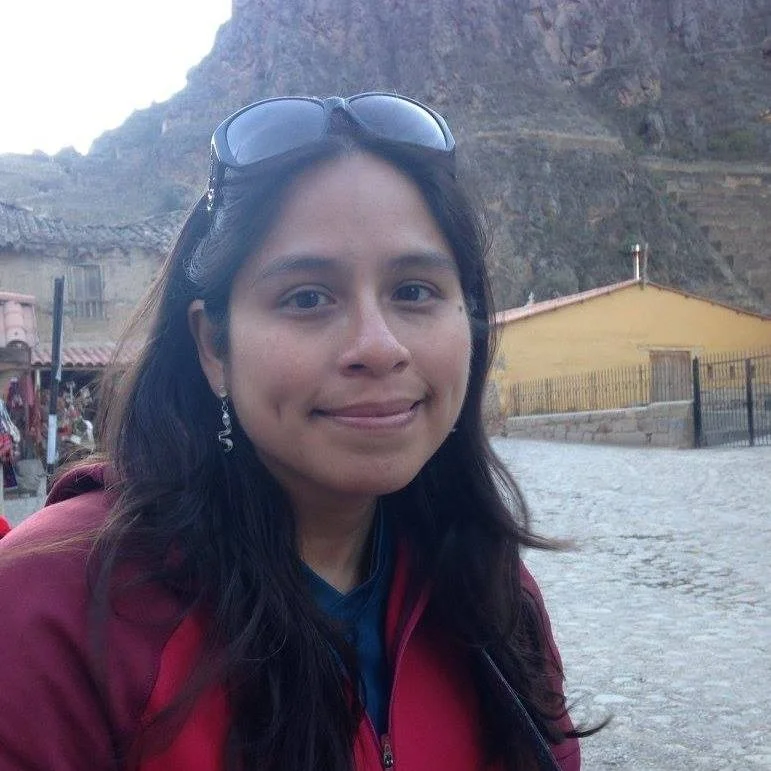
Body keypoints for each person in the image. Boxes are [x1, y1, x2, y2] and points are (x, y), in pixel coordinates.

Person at [0, 93, 591, 771]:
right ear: (213, 347)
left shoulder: (494, 599)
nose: (378, 346)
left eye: (414, 291)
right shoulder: (53, 613)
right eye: (307, 297)